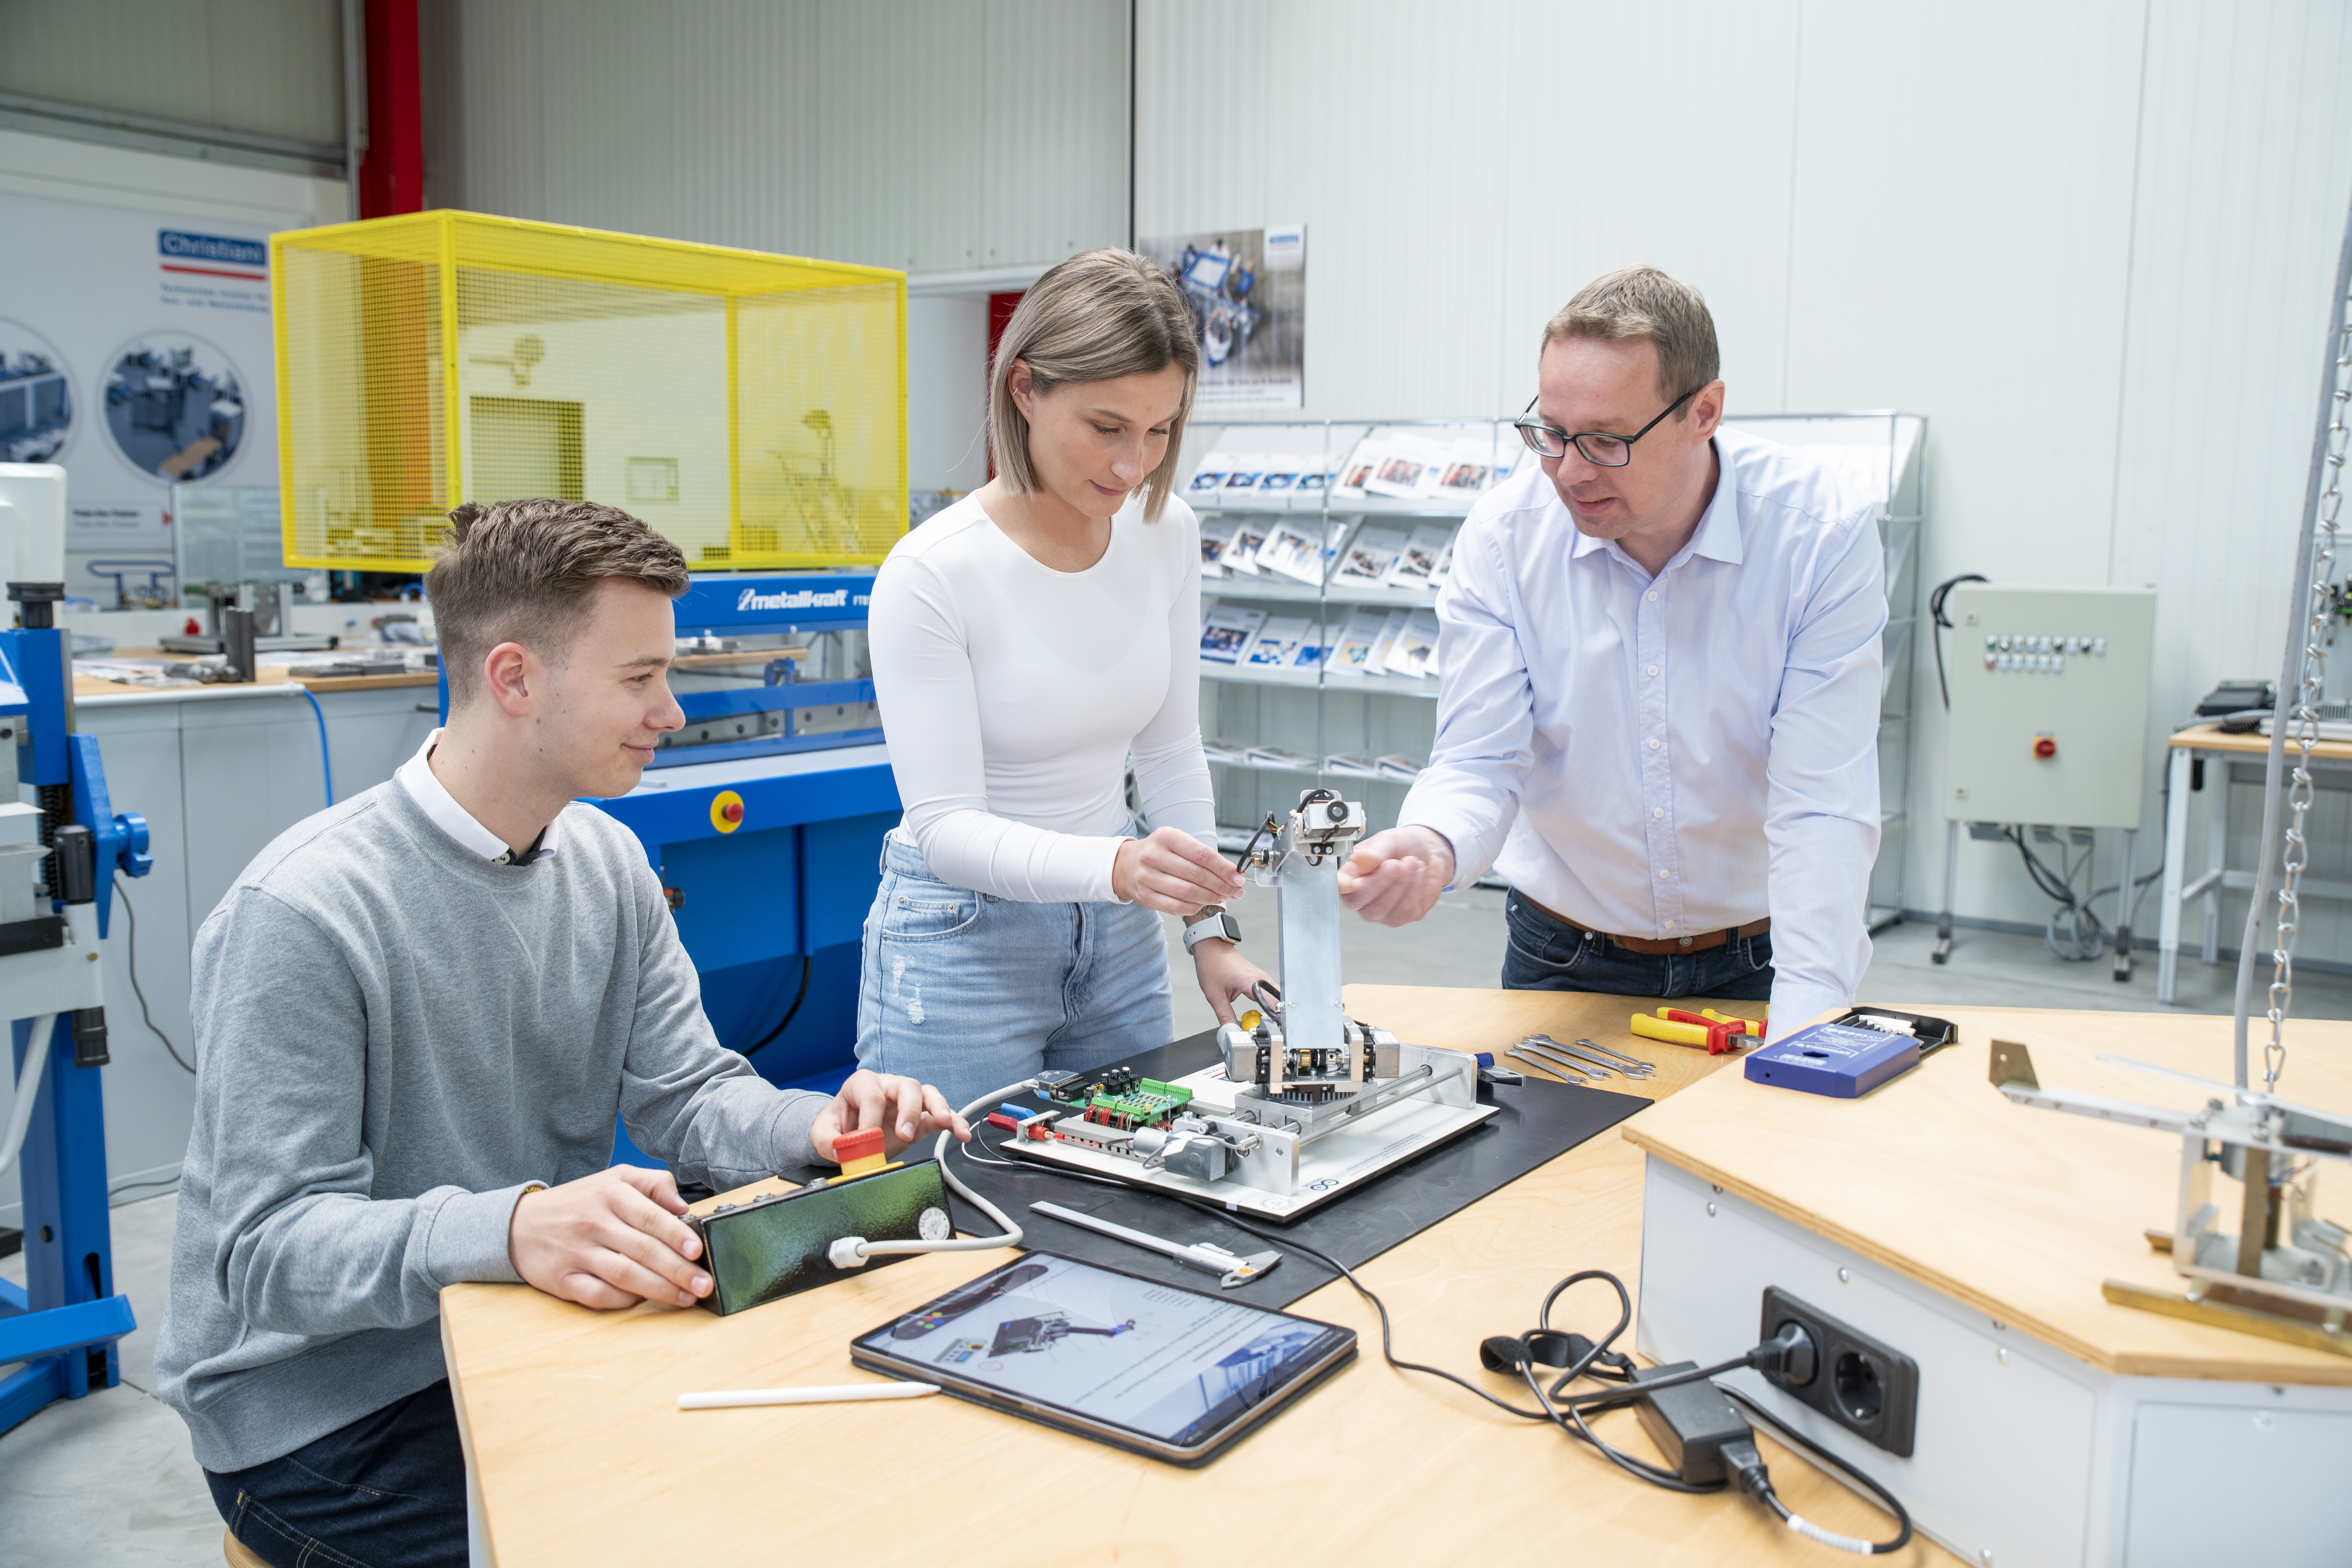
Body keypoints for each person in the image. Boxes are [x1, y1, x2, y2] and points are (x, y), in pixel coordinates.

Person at [157, 499, 969, 1568]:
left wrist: (820, 1127)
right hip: (322, 1414)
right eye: (639, 679)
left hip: (522, 1328)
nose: (671, 713)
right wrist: (513, 1230)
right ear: (514, 679)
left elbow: (689, 1097)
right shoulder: (305, 913)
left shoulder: (607, 862)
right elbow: (266, 1253)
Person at [1338, 266, 1885, 1029]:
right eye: (1552, 435)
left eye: (1605, 441)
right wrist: (1432, 844)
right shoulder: (1505, 539)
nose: (1570, 472)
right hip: (1566, 957)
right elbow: (1478, 759)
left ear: (1704, 412)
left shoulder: (1814, 534)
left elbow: (1820, 803)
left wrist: (1811, 1023)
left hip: (1761, 960)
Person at [858, 248, 1272, 1108]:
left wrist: (1207, 931)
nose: (1135, 465)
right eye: (1107, 427)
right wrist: (1118, 866)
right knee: (959, 1213)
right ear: (1025, 391)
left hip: (1119, 935)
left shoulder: (1165, 532)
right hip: (962, 942)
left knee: (1141, 1189)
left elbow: (1169, 749)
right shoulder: (932, 572)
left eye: (1161, 431)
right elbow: (946, 828)